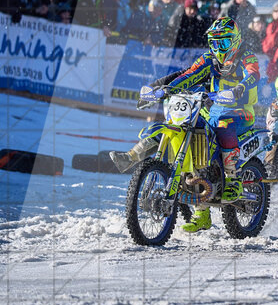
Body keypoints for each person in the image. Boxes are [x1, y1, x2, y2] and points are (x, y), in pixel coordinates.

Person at [111, 18, 261, 233]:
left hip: (240, 111)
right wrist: (164, 90)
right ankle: (134, 156)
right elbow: (190, 75)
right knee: (182, 129)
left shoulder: (246, 57)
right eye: (213, 43)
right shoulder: (210, 58)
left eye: (223, 43)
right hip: (211, 109)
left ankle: (233, 179)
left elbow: (254, 74)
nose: (218, 48)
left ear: (235, 41)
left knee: (222, 123)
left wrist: (238, 89)